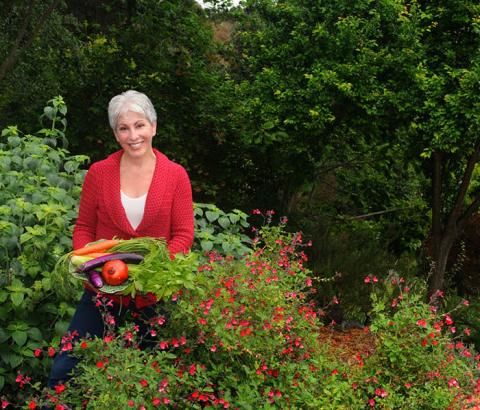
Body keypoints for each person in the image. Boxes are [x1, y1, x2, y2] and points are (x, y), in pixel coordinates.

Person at [48, 90, 194, 388]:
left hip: (152, 292)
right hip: (102, 285)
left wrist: (151, 271)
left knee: (152, 374)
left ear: (153, 126)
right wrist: (93, 263)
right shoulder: (99, 173)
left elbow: (183, 234)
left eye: (139, 125)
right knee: (67, 365)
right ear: (116, 134)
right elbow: (84, 228)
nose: (133, 135)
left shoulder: (176, 176)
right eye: (123, 128)